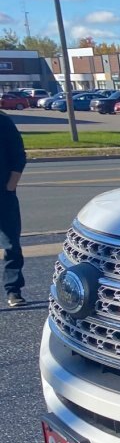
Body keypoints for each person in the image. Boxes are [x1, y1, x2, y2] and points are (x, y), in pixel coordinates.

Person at [0, 107, 25, 307]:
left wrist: (10, 186)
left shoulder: (4, 122)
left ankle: (13, 290)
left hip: (3, 195)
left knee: (11, 245)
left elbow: (18, 156)